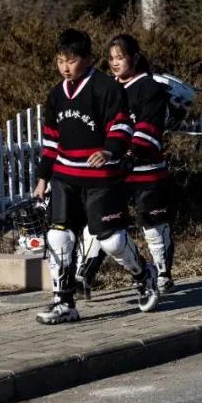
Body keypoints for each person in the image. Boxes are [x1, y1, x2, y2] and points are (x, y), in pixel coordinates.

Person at [33, 29, 160, 324]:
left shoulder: (106, 89)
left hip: (101, 177)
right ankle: (64, 302)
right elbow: (51, 141)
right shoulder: (56, 95)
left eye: (72, 60)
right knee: (58, 235)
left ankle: (144, 273)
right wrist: (43, 178)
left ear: (88, 59)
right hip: (65, 176)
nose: (66, 67)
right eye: (61, 61)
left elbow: (122, 128)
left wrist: (109, 150)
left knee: (111, 241)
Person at [76, 35, 177, 295]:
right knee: (100, 225)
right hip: (111, 172)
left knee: (152, 224)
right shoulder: (106, 88)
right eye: (110, 58)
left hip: (145, 170)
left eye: (119, 57)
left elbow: (148, 126)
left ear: (133, 57)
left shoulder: (149, 88)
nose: (114, 63)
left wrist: (132, 153)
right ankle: (83, 277)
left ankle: (162, 273)